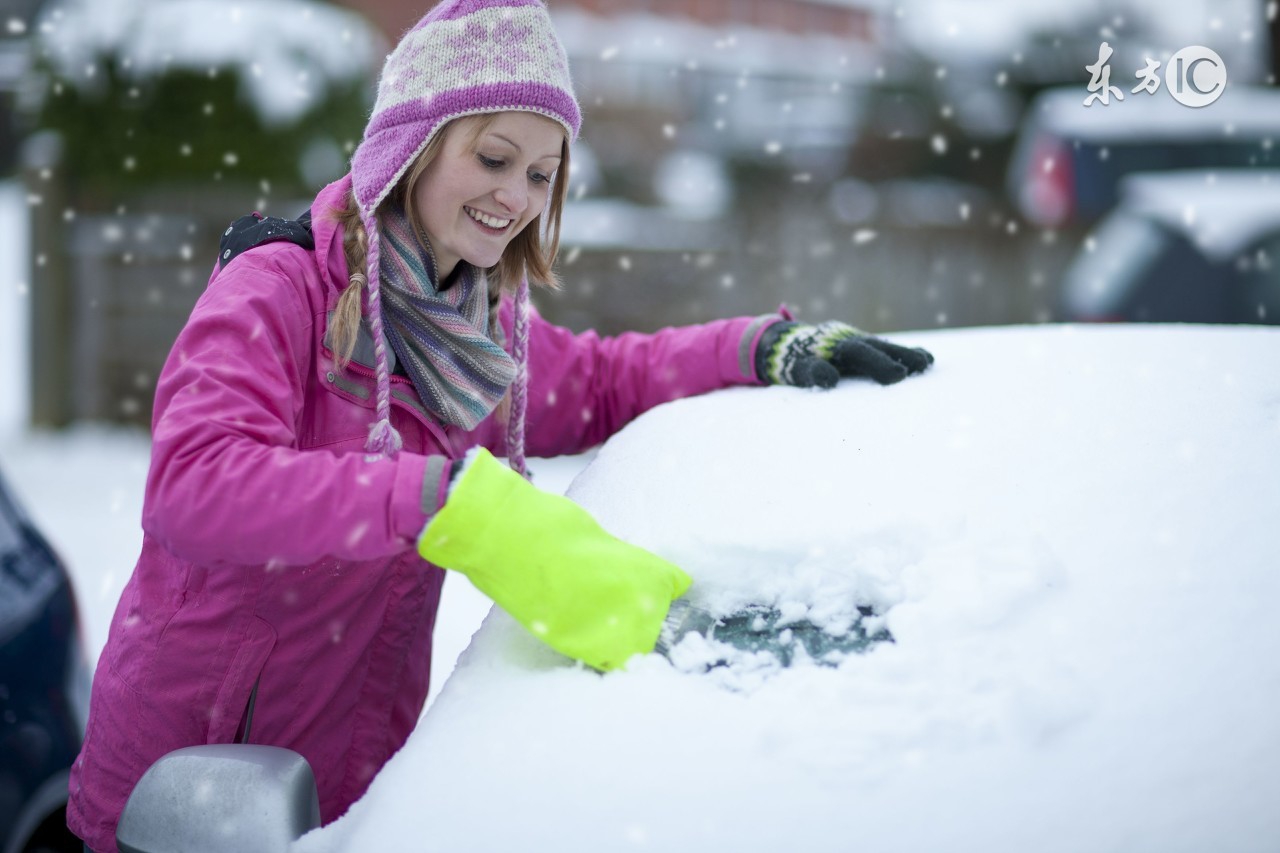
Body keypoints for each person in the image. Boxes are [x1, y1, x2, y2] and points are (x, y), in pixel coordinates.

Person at [66, 0, 932, 849]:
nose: (515, 195)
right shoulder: (279, 292)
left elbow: (602, 379)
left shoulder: (477, 337)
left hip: (359, 800)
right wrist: (440, 499)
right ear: (412, 143)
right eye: (493, 156)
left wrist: (757, 345)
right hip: (185, 793)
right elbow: (196, 485)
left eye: (541, 174)